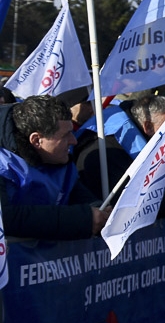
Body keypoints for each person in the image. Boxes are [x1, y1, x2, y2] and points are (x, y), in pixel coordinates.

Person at [0, 95, 108, 240]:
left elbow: (78, 195)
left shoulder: (59, 160)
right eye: (66, 135)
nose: (74, 141)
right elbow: (5, 218)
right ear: (37, 140)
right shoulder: (4, 164)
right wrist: (83, 220)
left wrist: (102, 212)